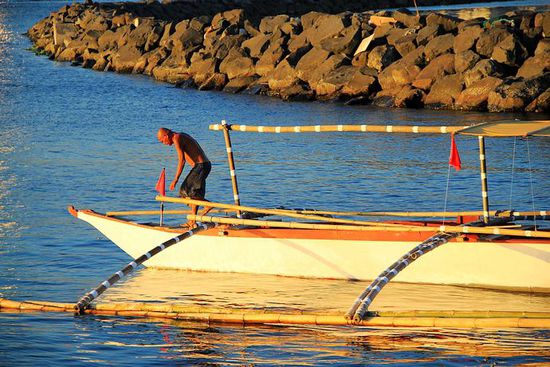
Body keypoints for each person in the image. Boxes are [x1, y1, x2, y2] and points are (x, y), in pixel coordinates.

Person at [157, 127, 212, 228]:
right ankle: (192, 221)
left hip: (201, 166)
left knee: (184, 191)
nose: (164, 143)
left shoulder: (177, 138)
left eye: (162, 141)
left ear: (166, 135)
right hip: (202, 166)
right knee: (195, 195)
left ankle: (207, 205)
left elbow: (182, 160)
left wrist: (175, 179)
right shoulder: (180, 136)